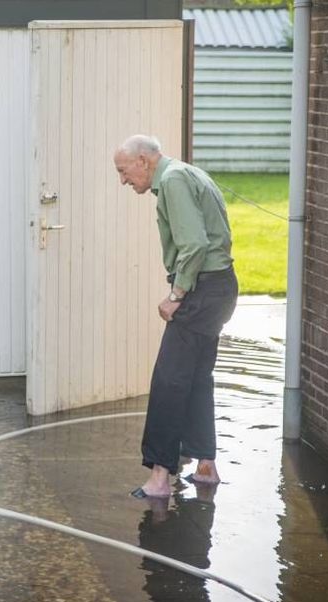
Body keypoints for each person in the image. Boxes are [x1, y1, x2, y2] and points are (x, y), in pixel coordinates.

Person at [112, 134, 237, 499]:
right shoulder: (188, 173)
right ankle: (206, 466)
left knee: (169, 382)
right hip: (220, 289)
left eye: (123, 171)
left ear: (144, 161)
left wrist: (175, 295)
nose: (123, 180)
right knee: (196, 380)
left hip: (200, 292)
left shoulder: (172, 180)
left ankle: (160, 477)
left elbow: (195, 244)